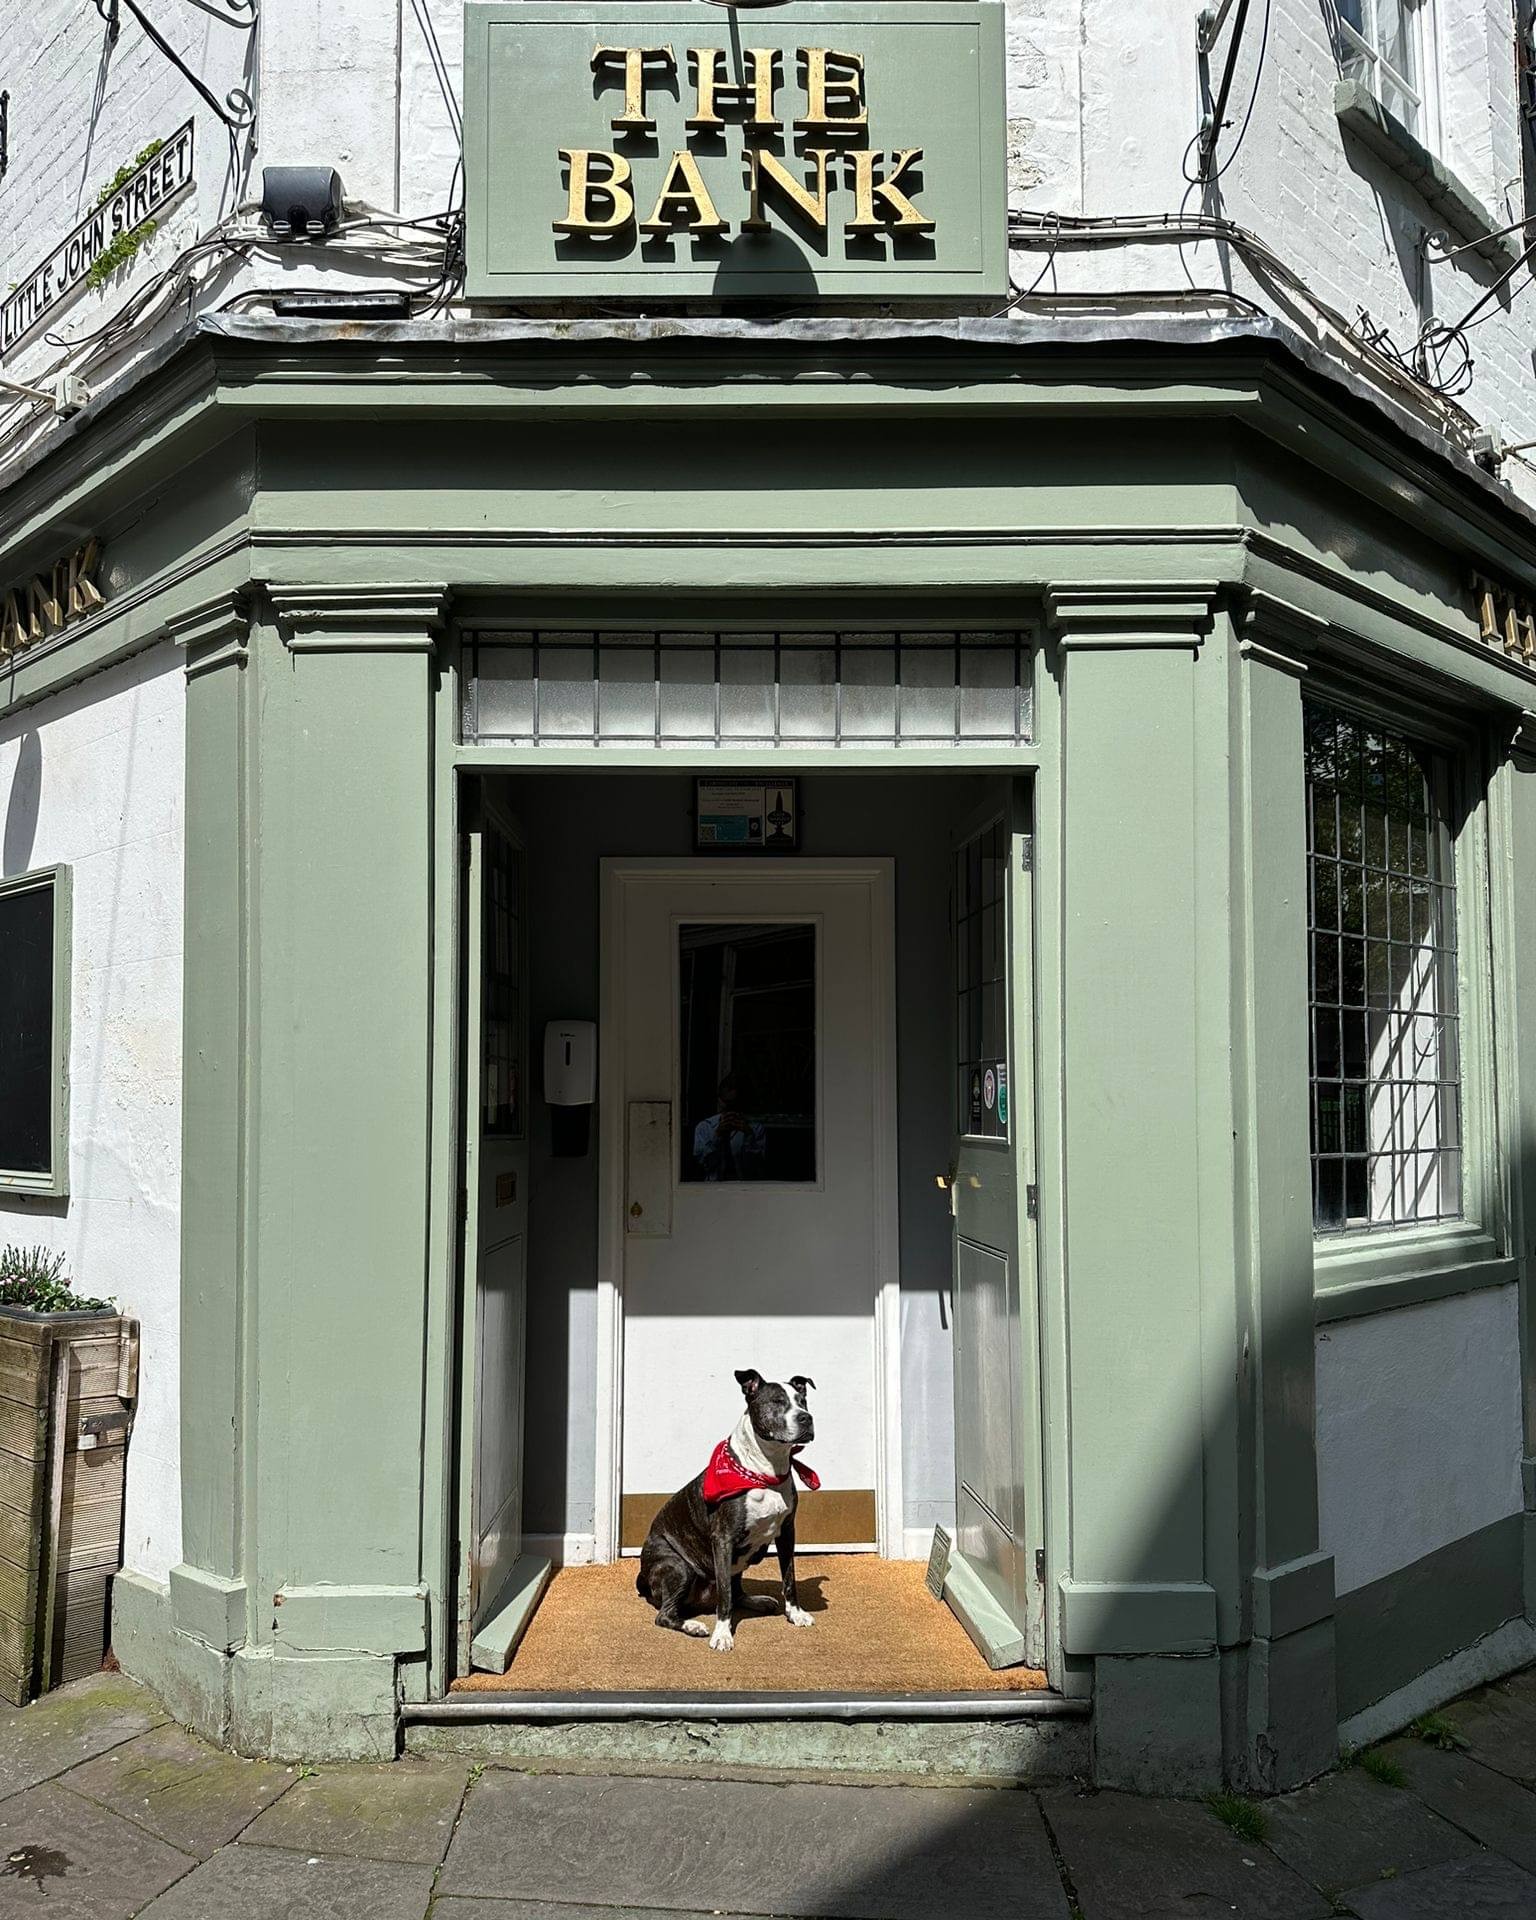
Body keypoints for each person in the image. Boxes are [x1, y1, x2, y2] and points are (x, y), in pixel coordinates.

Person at [692, 1075, 767, 1180]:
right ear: (719, 1100)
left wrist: (749, 1136)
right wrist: (717, 1135)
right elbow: (704, 1164)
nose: (731, 1110)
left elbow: (756, 1168)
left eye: (735, 1105)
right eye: (727, 1104)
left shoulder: (755, 1129)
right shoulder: (705, 1127)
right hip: (713, 1187)